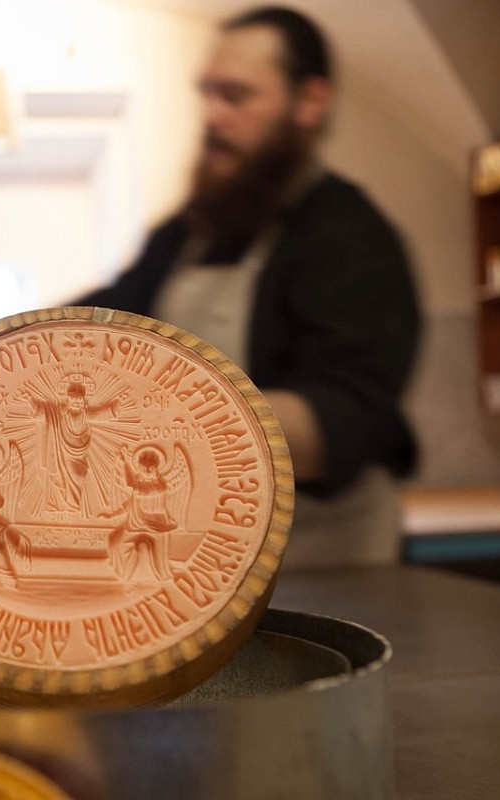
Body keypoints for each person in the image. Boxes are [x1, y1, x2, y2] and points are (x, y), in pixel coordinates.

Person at [77, 6, 421, 567]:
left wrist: (167, 418)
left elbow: (347, 417)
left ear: (309, 102)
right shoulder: (185, 234)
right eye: (207, 94)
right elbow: (102, 319)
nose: (211, 116)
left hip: (327, 560)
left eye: (235, 96)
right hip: (212, 551)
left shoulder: (350, 236)